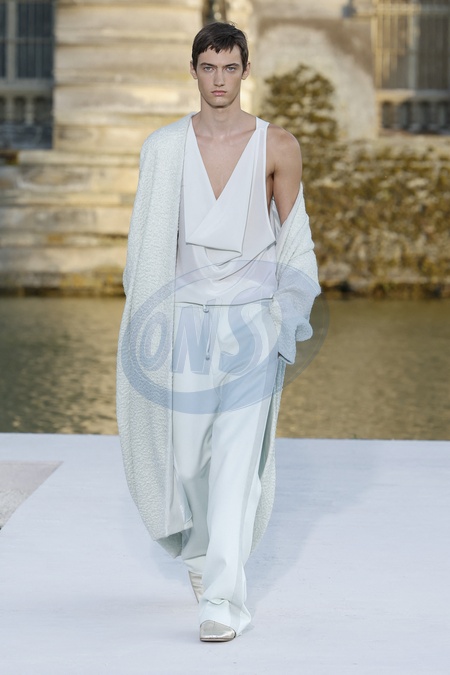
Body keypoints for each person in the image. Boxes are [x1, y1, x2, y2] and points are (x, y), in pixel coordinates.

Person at [116, 22, 320, 642]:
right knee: (187, 461)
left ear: (245, 70)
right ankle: (204, 557)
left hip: (252, 323)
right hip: (183, 323)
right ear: (194, 70)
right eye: (209, 67)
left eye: (230, 67)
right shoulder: (164, 148)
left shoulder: (278, 145)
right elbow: (145, 245)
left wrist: (286, 317)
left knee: (234, 465)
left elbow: (295, 239)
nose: (220, 80)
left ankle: (223, 603)